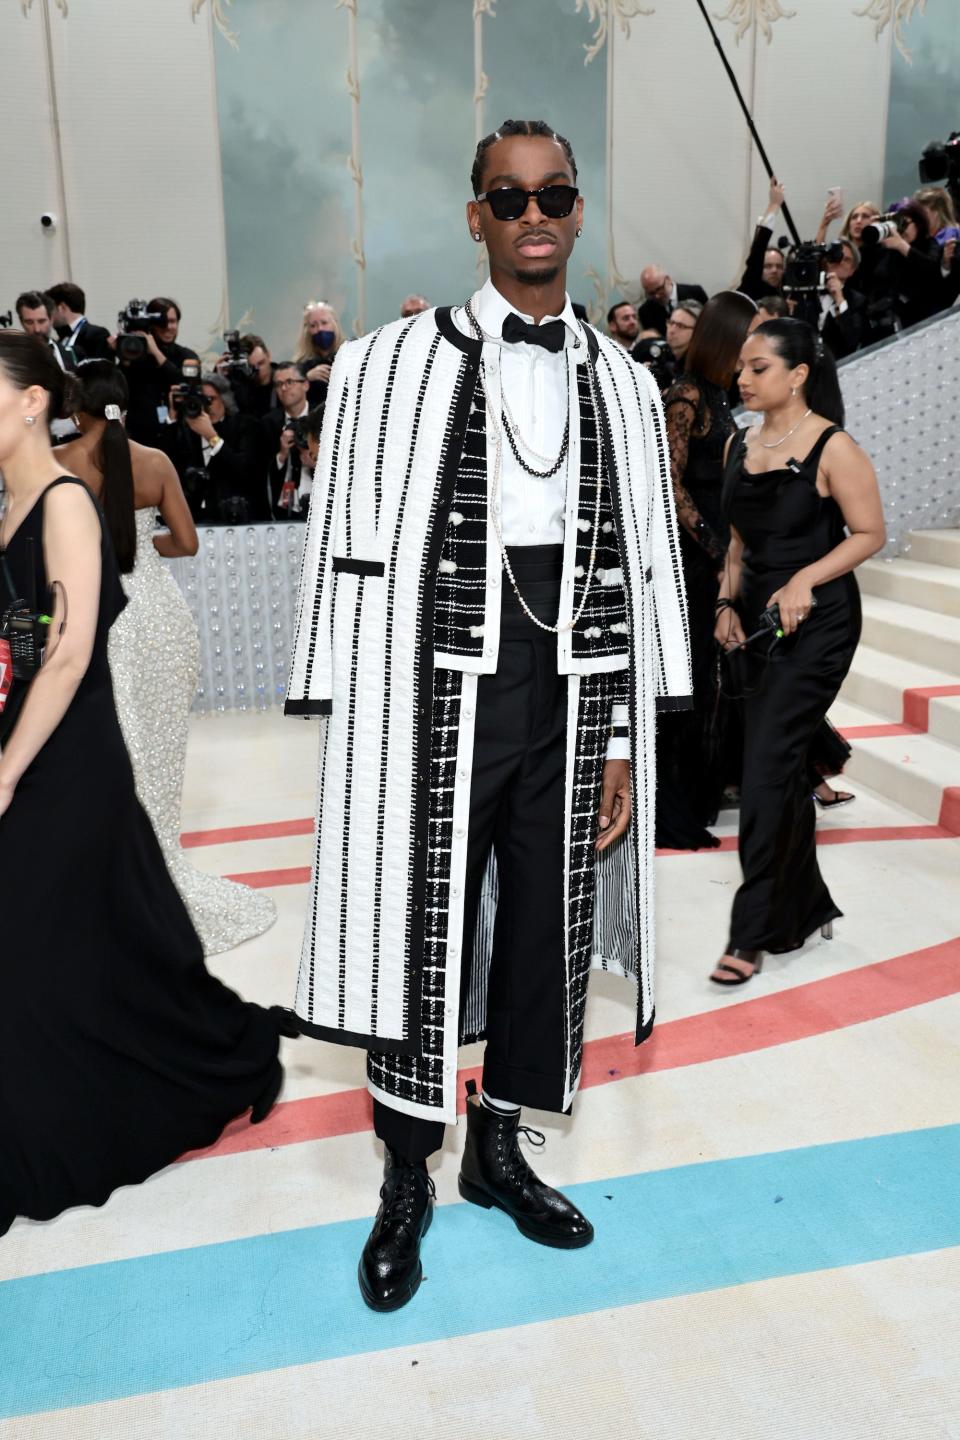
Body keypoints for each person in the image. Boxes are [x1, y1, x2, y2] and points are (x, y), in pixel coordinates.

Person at [286, 117, 690, 1311]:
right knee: (421, 922)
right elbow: (344, 548)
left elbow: (635, 560)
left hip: (574, 675)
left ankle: (499, 1151)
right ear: (475, 215)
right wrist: (354, 719)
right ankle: (407, 1175)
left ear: (577, 210)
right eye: (507, 197)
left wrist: (620, 735)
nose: (532, 215)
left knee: (544, 926)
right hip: (430, 685)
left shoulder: (623, 379)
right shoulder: (382, 364)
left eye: (554, 194)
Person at [0, 333, 290, 1237]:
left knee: (46, 936)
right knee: (81, 938)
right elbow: (16, 636)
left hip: (67, 756)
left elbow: (72, 649)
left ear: (31, 402)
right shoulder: (8, 507)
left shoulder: (64, 505)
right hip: (28, 744)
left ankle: (227, 1056)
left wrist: (6, 771)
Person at [55, 360, 278, 954]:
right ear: (123, 405)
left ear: (76, 406)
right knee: (157, 757)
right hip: (159, 617)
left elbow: (47, 547)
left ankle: (109, 884)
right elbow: (185, 541)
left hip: (100, 620)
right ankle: (156, 873)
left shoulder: (60, 463)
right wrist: (134, 542)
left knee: (105, 757)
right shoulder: (154, 462)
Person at [711, 319, 885, 985]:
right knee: (777, 771)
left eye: (758, 368)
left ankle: (749, 932)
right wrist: (726, 603)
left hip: (820, 625)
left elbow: (869, 532)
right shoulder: (741, 444)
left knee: (762, 772)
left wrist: (807, 578)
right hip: (756, 624)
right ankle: (802, 907)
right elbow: (736, 544)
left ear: (798, 374)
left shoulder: (833, 448)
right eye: (742, 369)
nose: (743, 378)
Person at [657, 291, 758, 850]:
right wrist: (716, 547)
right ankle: (673, 804)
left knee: (712, 681)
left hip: (716, 555)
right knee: (689, 681)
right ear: (727, 337)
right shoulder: (688, 394)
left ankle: (704, 790)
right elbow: (669, 486)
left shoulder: (721, 396)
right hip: (690, 561)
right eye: (748, 338)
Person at [157, 371, 265, 523]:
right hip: (191, 518)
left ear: (224, 399)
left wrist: (211, 437)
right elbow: (163, 463)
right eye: (201, 400)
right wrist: (173, 414)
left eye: (210, 399)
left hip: (230, 515)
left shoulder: (244, 425)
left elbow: (245, 469)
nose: (205, 406)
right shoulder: (186, 429)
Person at [115, 296, 199, 447]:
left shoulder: (187, 356)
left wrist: (156, 353)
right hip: (140, 441)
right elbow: (118, 390)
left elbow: (185, 384)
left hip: (180, 441)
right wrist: (125, 356)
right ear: (151, 325)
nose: (168, 327)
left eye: (173, 321)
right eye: (163, 322)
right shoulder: (135, 359)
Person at [861, 200, 943, 338]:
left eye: (904, 223)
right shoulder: (886, 249)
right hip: (884, 325)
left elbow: (933, 272)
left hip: (920, 323)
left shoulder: (929, 244)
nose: (901, 229)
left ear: (918, 223)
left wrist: (902, 246)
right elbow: (866, 275)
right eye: (896, 223)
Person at [261, 362, 313, 519]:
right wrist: (282, 455)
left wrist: (315, 463)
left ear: (305, 385)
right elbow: (262, 474)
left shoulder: (325, 417)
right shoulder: (269, 423)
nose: (283, 389)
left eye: (289, 382)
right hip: (284, 508)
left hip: (321, 503)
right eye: (278, 384)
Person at [739, 177, 787, 302]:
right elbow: (756, 253)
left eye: (779, 266)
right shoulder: (751, 287)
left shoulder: (786, 295)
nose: (774, 270)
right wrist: (774, 205)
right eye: (768, 266)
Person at [820, 238, 867, 359]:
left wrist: (840, 299)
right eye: (836, 256)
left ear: (852, 270)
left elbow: (852, 340)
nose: (839, 261)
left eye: (846, 259)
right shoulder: (809, 293)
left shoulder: (858, 300)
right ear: (826, 262)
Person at [292, 301, 344, 408]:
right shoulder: (301, 365)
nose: (320, 329)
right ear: (307, 331)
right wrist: (306, 379)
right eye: (313, 325)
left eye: (324, 323)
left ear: (334, 324)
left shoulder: (349, 355)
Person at [46, 282, 112, 364]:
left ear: (62, 308)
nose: (48, 316)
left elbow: (103, 372)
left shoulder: (98, 334)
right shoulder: (60, 339)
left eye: (50, 310)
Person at [638, 266, 707, 335]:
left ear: (668, 279)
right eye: (651, 293)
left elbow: (711, 323)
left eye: (659, 289)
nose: (657, 296)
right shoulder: (645, 311)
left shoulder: (696, 293)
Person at [665, 298, 702, 368]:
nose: (671, 331)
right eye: (671, 323)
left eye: (680, 326)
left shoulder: (697, 368)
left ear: (696, 331)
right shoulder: (666, 360)